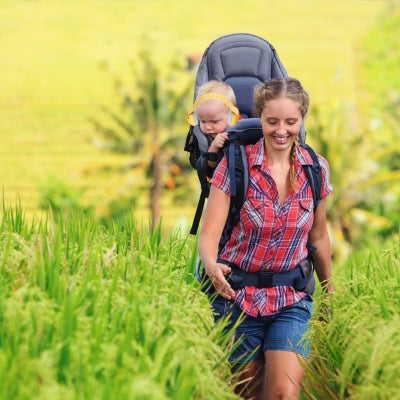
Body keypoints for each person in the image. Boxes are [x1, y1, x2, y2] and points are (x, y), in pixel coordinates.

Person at [198, 77, 334, 400]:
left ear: (302, 119)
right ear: (259, 117)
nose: (281, 130)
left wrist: (329, 292)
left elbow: (318, 237)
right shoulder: (236, 166)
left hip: (291, 298)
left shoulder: (315, 169)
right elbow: (209, 236)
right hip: (238, 298)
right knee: (245, 392)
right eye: (272, 121)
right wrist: (210, 264)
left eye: (291, 121)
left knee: (283, 394)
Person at [187, 80, 240, 168]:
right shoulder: (206, 140)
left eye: (214, 122)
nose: (207, 127)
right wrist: (214, 146)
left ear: (232, 117)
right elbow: (211, 166)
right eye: (203, 121)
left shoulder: (241, 126)